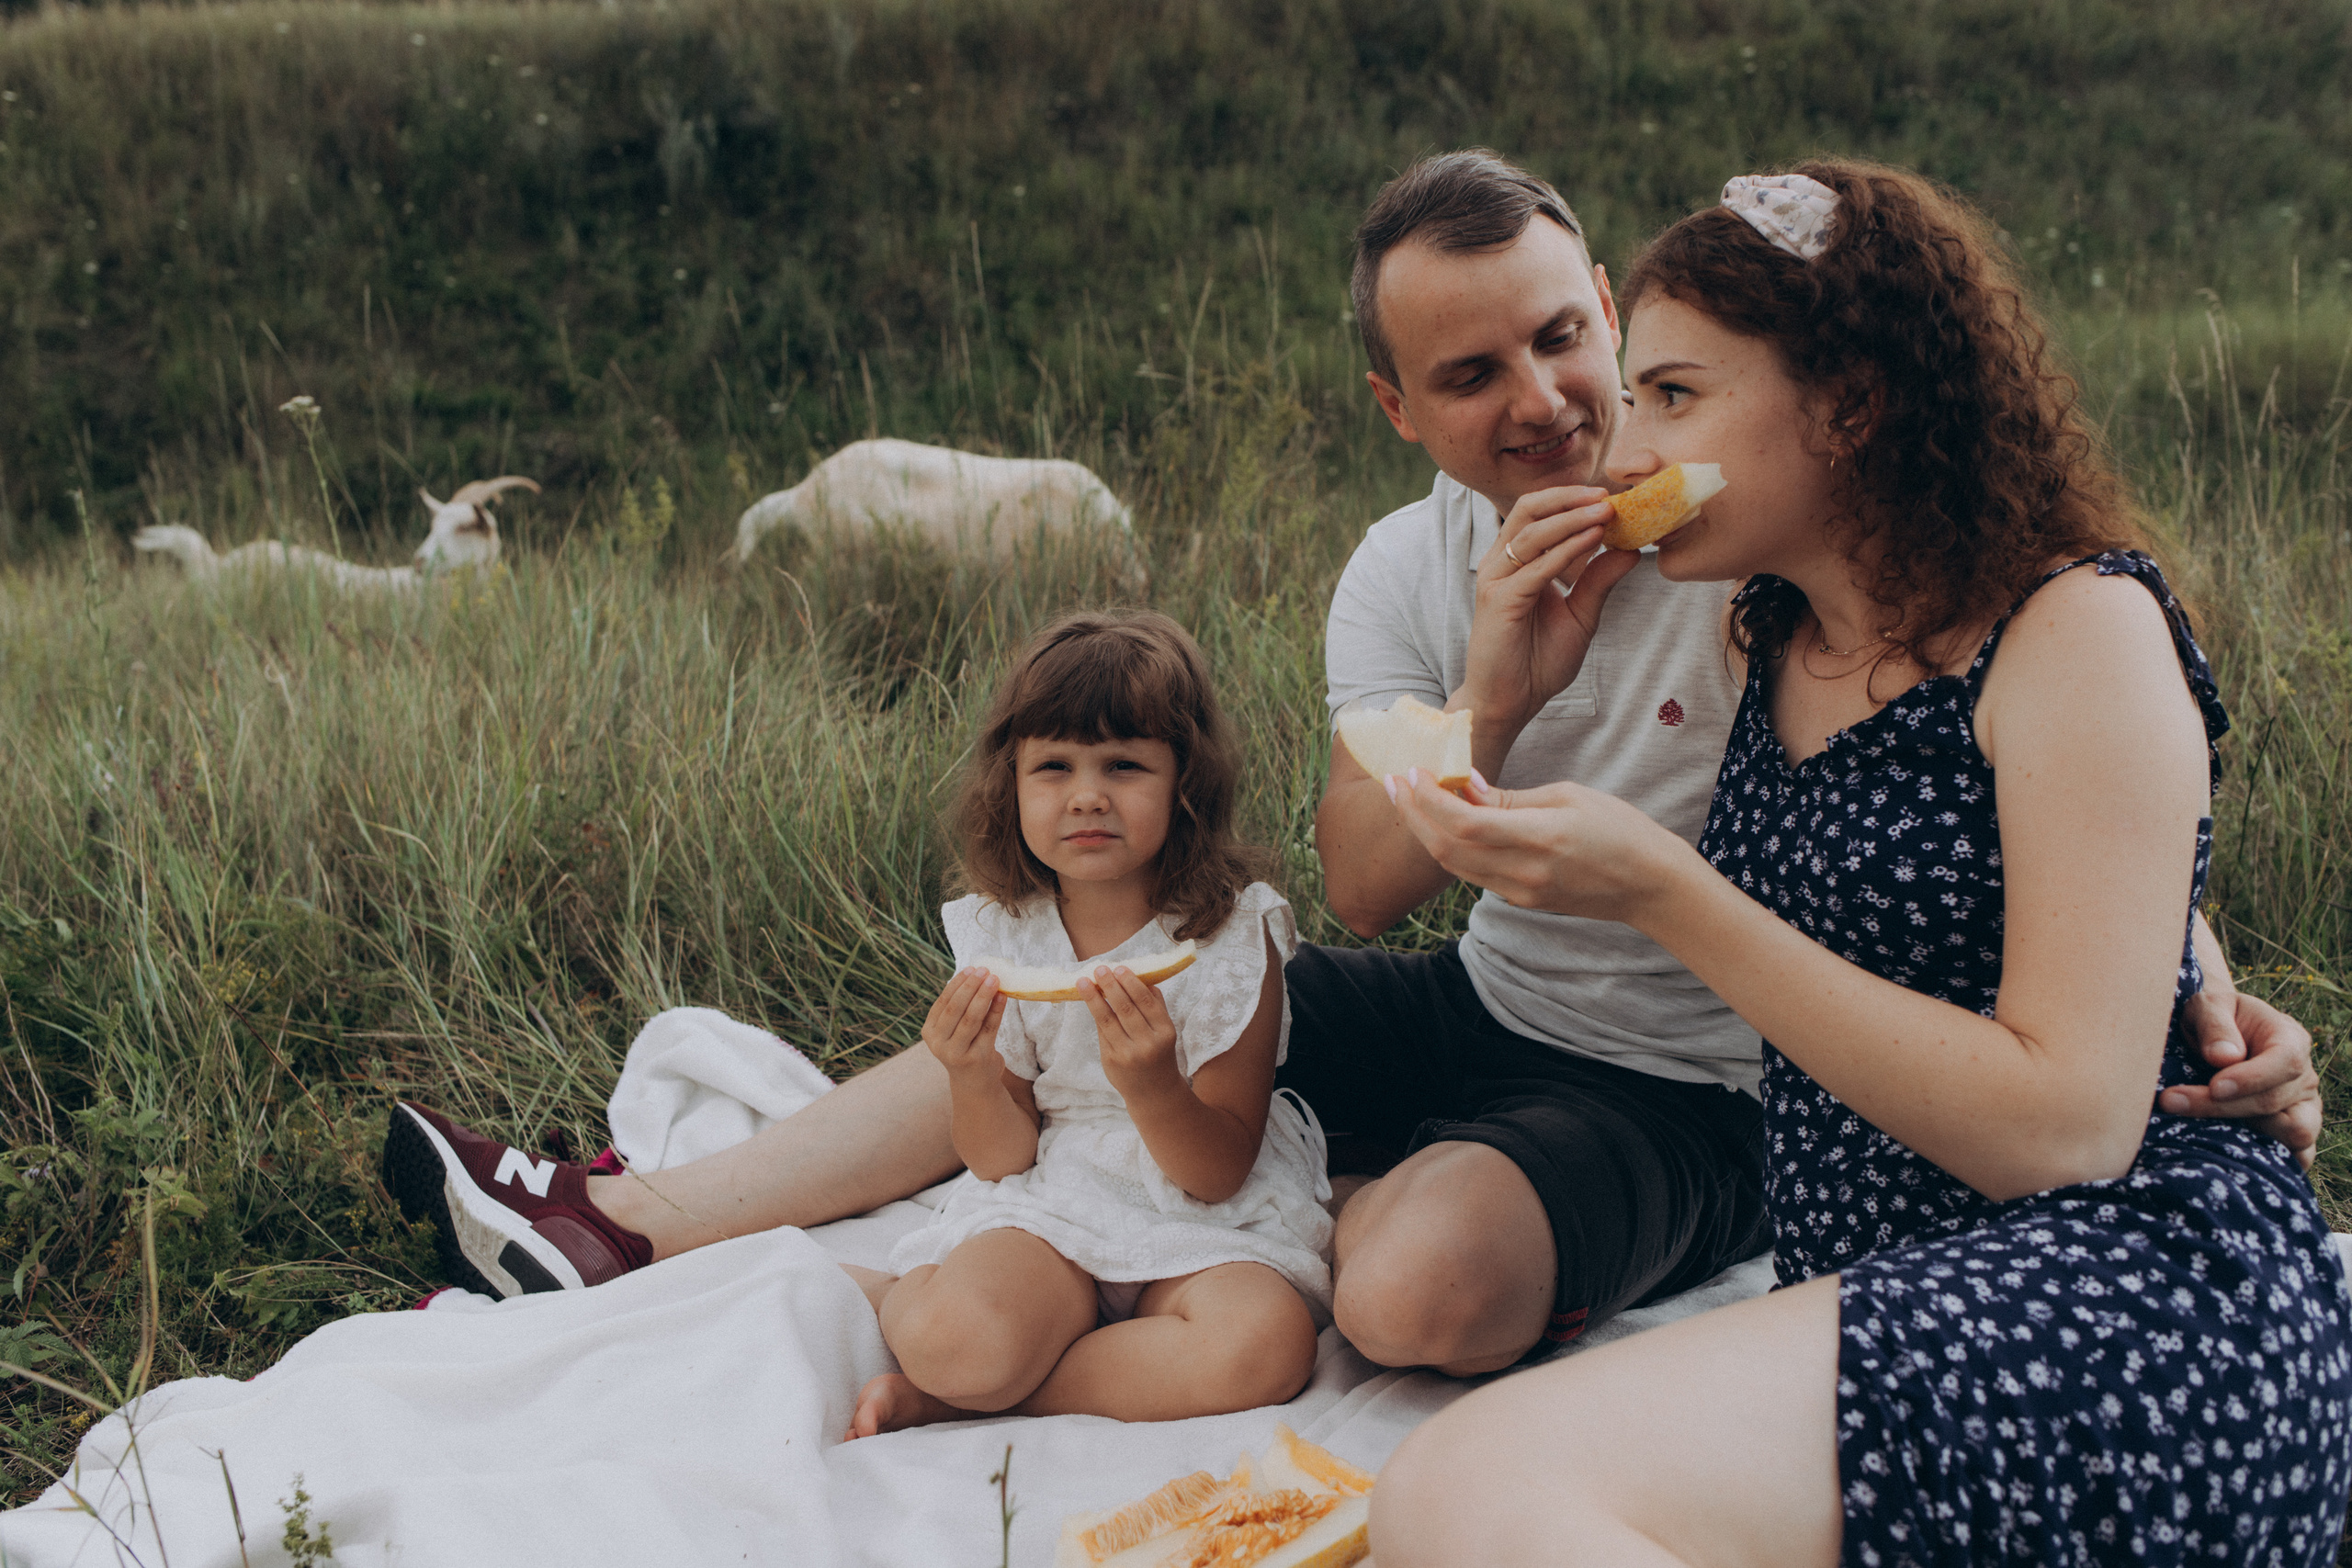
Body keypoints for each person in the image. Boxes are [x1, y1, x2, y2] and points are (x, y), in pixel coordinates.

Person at [380, 152, 2323, 1379]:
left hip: (1713, 1086)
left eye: (1583, 348)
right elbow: (1367, 882)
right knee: (1111, 982)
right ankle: (628, 1214)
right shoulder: (1408, 573)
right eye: (1473, 376)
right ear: (1401, 410)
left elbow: (1998, 772)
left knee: (1401, 1297)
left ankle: (1349, 1210)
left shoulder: (1763, 549)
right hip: (1490, 996)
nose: (1554, 407)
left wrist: (2207, 981)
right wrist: (1493, 680)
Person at [1367, 161, 2352, 1565]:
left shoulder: (2078, 627)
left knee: (1460, 1490)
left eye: (1677, 396)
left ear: (1848, 403)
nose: (1624, 449)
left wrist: (1664, 886)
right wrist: (1499, 692)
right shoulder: (1766, 629)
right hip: (1906, 1289)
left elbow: (2069, 1130)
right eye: (1635, 391)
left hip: (2125, 1286)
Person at [833, 609, 1327, 1437]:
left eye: (1125, 764)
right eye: (1054, 765)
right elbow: (1002, 1155)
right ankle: (958, 1338)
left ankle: (965, 1397)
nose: (1087, 794)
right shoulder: (1004, 930)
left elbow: (1219, 1171)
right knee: (959, 1336)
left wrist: (1153, 1085)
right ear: (1012, 784)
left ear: (1186, 783)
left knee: (1264, 1347)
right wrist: (968, 1073)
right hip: (1057, 1197)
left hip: (1197, 1215)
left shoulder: (1238, 937)